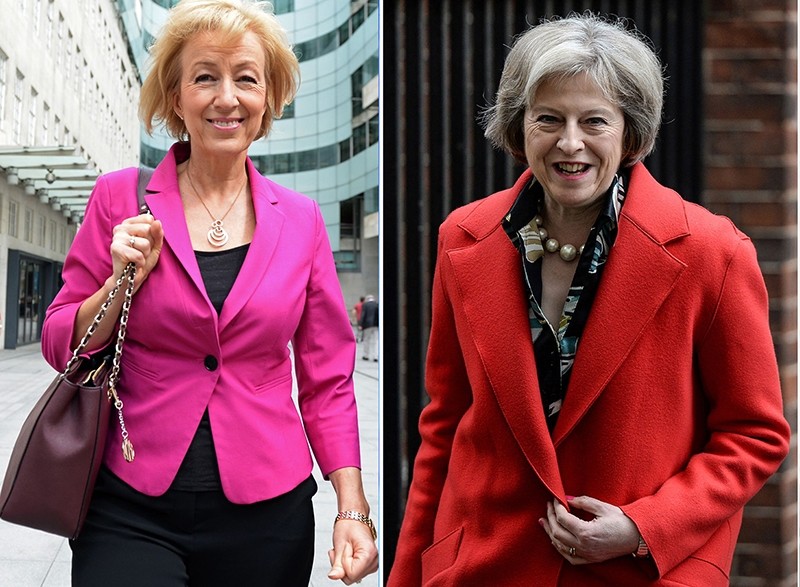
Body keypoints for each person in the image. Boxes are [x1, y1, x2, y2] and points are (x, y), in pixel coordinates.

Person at [387, 13, 790, 587]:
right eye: (548, 118)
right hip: (482, 568)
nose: (569, 142)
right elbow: (445, 425)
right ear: (518, 126)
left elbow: (755, 434)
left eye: (593, 120)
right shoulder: (463, 237)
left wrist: (644, 526)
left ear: (629, 133)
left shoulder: (712, 252)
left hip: (633, 572)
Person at [40, 1, 378, 585]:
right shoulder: (120, 197)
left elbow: (326, 376)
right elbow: (58, 341)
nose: (227, 97)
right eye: (205, 77)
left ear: (268, 97)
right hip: (130, 498)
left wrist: (351, 504)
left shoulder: (301, 220)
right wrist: (119, 282)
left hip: (268, 511)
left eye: (246, 78)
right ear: (176, 98)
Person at [359, 294, 378, 362]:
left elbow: (363, 315)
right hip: (376, 325)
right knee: (376, 341)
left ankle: (366, 355)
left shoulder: (365, 305)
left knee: (366, 340)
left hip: (367, 325)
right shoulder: (377, 304)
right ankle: (376, 356)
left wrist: (361, 324)